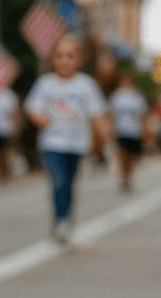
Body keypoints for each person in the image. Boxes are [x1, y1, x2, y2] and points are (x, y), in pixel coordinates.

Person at [24, 35, 109, 244]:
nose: (64, 60)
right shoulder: (45, 84)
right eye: (60, 55)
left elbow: (97, 113)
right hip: (52, 143)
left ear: (79, 60)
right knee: (59, 181)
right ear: (53, 59)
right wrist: (40, 118)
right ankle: (61, 220)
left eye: (70, 56)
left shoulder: (86, 85)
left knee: (69, 183)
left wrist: (104, 136)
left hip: (77, 144)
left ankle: (65, 216)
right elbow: (31, 107)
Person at [108, 71, 149, 193]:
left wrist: (144, 129)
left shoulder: (137, 97)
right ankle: (123, 178)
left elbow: (142, 115)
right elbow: (111, 114)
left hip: (134, 131)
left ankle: (129, 177)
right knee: (122, 155)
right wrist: (111, 129)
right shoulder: (116, 97)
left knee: (131, 157)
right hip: (121, 131)